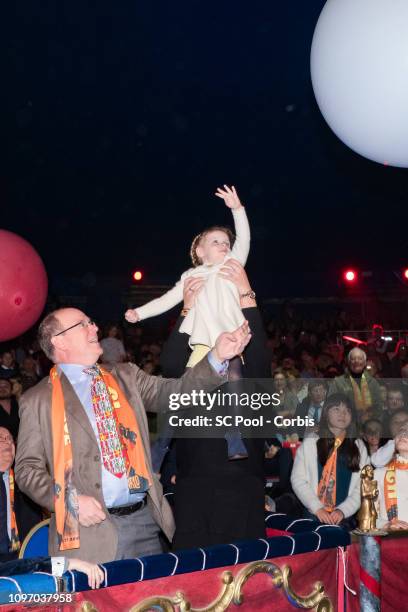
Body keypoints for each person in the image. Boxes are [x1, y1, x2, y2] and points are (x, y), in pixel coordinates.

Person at [15, 308, 250, 564]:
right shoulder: (38, 399)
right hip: (86, 535)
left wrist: (216, 357)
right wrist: (69, 501)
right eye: (83, 324)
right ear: (58, 340)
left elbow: (177, 393)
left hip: (145, 525)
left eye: (92, 321)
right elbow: (27, 470)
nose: (95, 328)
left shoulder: (125, 375)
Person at [159, 260, 269, 549]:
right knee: (198, 569)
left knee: (247, 570)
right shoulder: (196, 356)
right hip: (198, 474)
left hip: (244, 475)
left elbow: (262, 362)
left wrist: (246, 292)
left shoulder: (244, 358)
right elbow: (170, 366)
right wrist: (187, 308)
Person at [124, 185, 250, 366]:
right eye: (216, 242)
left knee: (233, 382)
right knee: (192, 383)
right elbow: (167, 300)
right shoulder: (192, 276)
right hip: (205, 341)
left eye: (226, 243)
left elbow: (244, 239)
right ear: (200, 251)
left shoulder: (232, 265)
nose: (224, 245)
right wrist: (139, 313)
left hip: (233, 336)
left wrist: (237, 209)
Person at [291, 393, 368, 527]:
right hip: (313, 515)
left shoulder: (358, 446)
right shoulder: (311, 442)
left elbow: (362, 486)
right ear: (326, 413)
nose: (342, 414)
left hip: (344, 518)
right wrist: (317, 508)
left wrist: (343, 510)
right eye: (336, 409)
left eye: (347, 410)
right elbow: (298, 480)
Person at [0, 427, 42, 560]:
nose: (8, 442)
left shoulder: (26, 482)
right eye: (1, 438)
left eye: (11, 439)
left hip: (24, 558)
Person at [328, 347, 382, 421]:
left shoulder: (373, 382)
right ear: (349, 362)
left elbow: (378, 405)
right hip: (346, 423)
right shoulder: (338, 382)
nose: (356, 361)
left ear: (365, 362)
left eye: (360, 359)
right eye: (353, 359)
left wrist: (369, 415)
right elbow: (331, 406)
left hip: (370, 424)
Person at [374, 428, 408, 530]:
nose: (403, 434)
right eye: (401, 431)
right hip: (392, 540)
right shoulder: (379, 473)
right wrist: (386, 525)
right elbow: (368, 514)